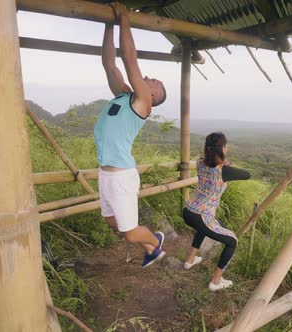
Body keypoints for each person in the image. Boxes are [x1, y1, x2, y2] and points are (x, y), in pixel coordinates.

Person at [94, 2, 167, 268]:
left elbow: (129, 58)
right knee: (110, 221)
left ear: (154, 96)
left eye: (153, 81)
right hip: (107, 173)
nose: (147, 77)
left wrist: (124, 17)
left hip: (121, 176)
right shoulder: (124, 95)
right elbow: (109, 63)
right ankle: (152, 249)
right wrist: (109, 23)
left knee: (128, 233)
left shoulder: (142, 104)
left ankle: (156, 243)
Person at [182, 132, 251, 291]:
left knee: (205, 227)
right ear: (224, 148)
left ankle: (190, 260)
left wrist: (224, 162)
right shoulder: (224, 171)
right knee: (232, 241)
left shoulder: (200, 163)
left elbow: (212, 165)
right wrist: (227, 164)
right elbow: (247, 175)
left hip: (188, 211)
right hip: (202, 215)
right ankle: (216, 281)